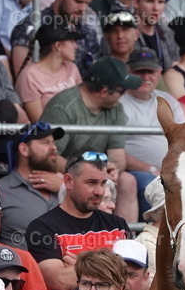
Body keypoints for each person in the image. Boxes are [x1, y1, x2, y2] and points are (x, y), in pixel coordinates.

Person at [25, 152, 132, 290]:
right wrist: (112, 267)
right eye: (91, 183)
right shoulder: (42, 228)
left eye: (103, 183)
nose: (99, 191)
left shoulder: (117, 225)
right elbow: (59, 281)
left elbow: (132, 281)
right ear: (68, 181)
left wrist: (80, 267)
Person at [40, 57, 142, 223]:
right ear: (104, 92)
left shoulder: (116, 108)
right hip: (65, 172)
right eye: (122, 92)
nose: (123, 97)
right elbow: (47, 155)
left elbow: (117, 154)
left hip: (98, 173)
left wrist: (113, 167)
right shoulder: (63, 107)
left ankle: (123, 240)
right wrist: (81, 172)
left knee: (127, 180)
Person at [120, 48, 185, 206]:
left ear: (159, 72)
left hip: (172, 170)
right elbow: (114, 150)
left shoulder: (168, 100)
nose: (145, 77)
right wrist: (150, 169)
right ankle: (153, 231)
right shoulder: (118, 104)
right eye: (139, 72)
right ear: (129, 72)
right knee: (155, 186)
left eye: (150, 71)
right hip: (138, 173)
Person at [0, 121, 64, 250]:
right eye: (45, 142)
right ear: (24, 149)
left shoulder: (66, 188)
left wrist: (64, 188)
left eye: (53, 142)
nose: (53, 147)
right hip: (22, 267)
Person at [9, 0, 101, 80]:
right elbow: (24, 81)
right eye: (77, 1)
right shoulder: (29, 28)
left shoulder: (88, 33)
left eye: (87, 3)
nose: (83, 8)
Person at [14, 18, 85, 122]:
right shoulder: (29, 76)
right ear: (58, 46)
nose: (76, 46)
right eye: (71, 41)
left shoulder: (72, 68)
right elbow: (40, 123)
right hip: (52, 135)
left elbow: (83, 107)